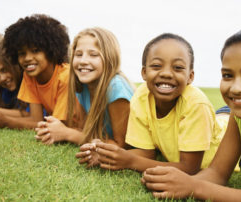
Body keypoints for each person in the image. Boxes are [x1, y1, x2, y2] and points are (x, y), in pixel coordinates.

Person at [141, 25, 241, 201]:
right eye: (227, 75)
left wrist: (196, 187)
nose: (235, 88)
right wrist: (179, 182)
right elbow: (218, 173)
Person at [94, 33, 233, 174]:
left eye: (178, 68)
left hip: (233, 128)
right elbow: (146, 153)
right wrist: (106, 156)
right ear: (144, 72)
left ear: (190, 77)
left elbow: (189, 168)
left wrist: (130, 161)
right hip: (217, 119)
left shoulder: (196, 104)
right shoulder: (142, 97)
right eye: (156, 66)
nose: (166, 73)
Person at [35, 27, 134, 167]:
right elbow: (85, 131)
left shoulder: (115, 87)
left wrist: (66, 133)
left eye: (93, 55)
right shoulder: (83, 86)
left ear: (110, 58)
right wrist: (53, 128)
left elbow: (122, 146)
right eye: (78, 54)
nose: (83, 61)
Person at [2, 14, 70, 127]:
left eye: (35, 50)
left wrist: (5, 121)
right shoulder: (30, 76)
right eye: (22, 53)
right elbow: (36, 120)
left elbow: (57, 126)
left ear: (51, 51)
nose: (27, 58)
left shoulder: (66, 76)